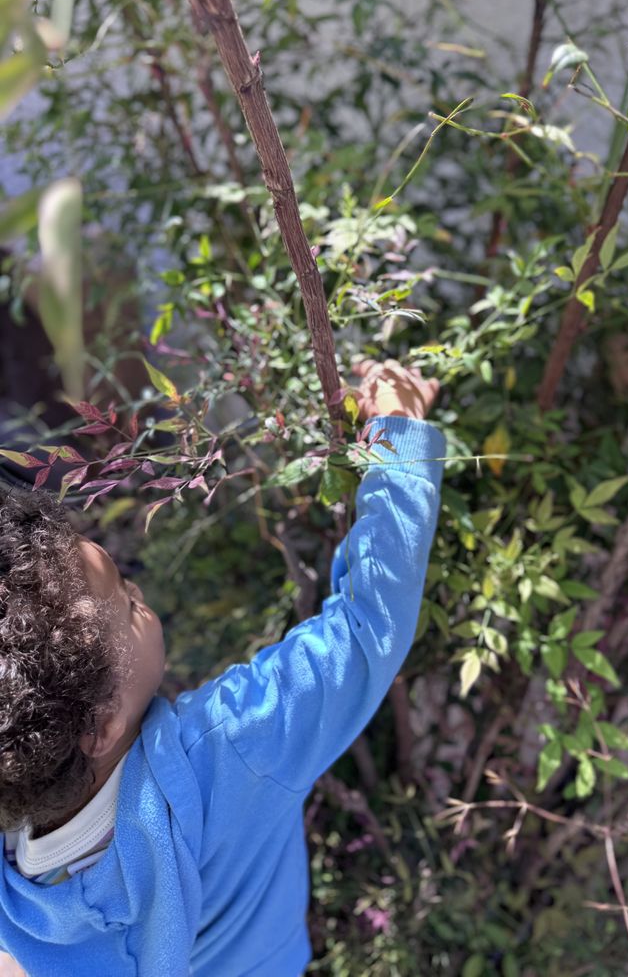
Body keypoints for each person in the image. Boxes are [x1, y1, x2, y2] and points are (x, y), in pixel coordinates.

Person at [0, 360, 444, 977]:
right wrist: (397, 431)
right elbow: (367, 628)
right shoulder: (232, 747)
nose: (141, 595)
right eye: (126, 602)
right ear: (99, 722)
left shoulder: (17, 848)